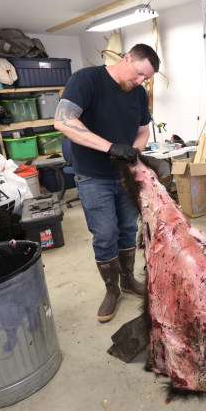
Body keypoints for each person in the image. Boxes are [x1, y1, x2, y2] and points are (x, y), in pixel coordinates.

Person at [54, 43, 160, 323]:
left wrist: (135, 151)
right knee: (104, 233)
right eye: (138, 73)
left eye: (145, 79)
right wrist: (111, 147)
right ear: (127, 58)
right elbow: (63, 121)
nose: (139, 82)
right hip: (92, 175)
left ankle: (127, 281)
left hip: (124, 175)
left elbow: (142, 130)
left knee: (128, 229)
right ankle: (111, 290)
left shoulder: (138, 93)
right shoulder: (87, 79)